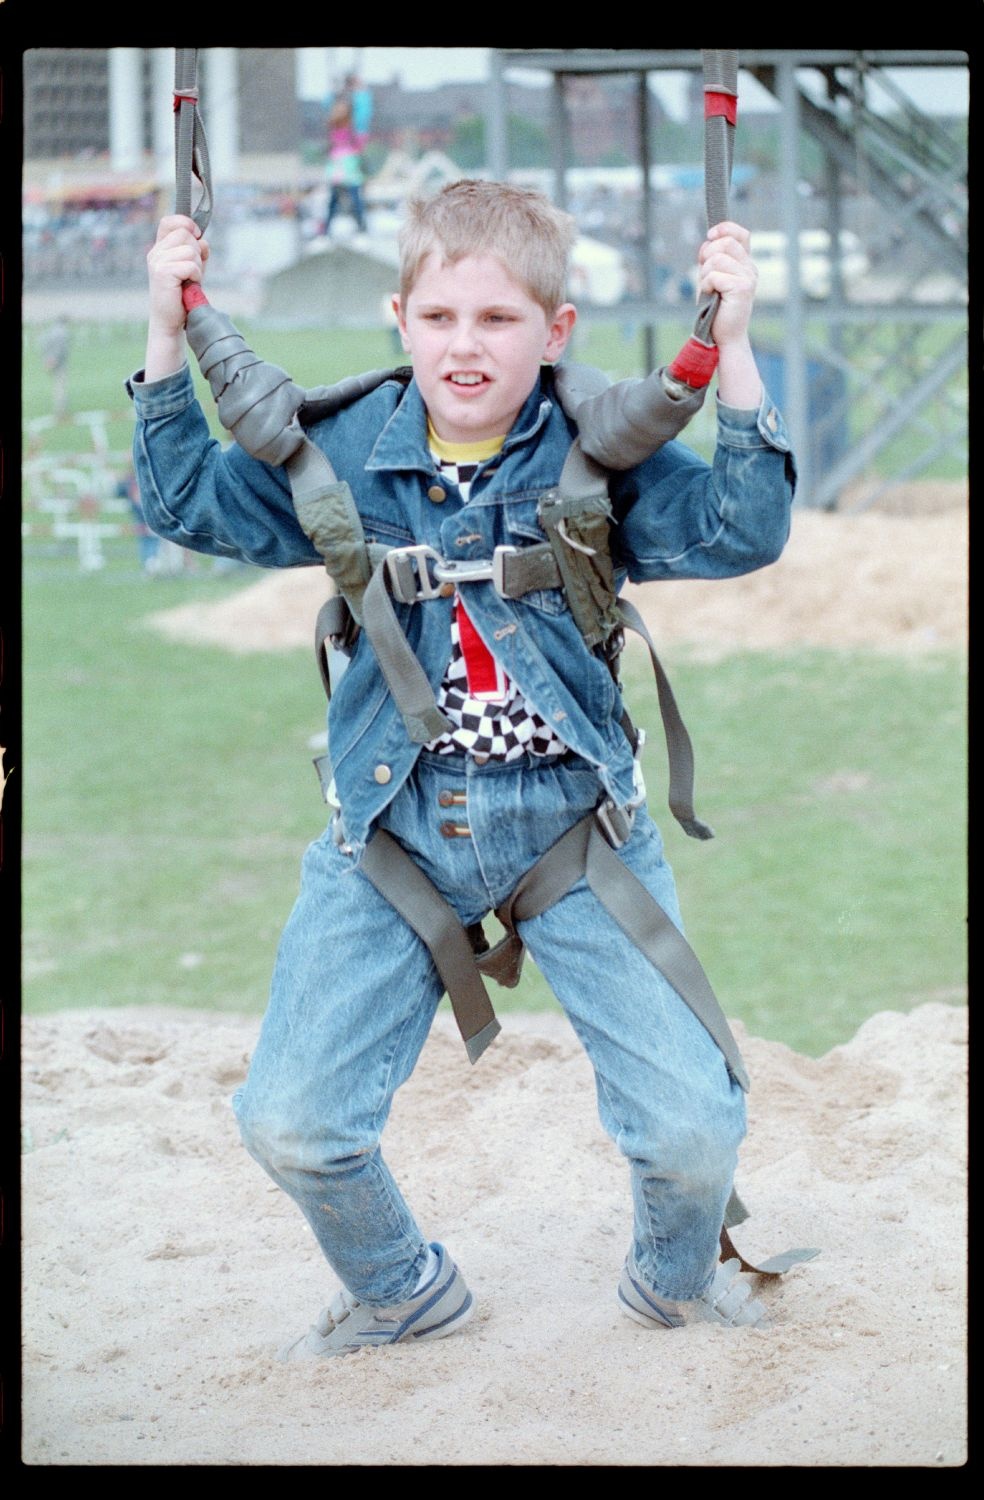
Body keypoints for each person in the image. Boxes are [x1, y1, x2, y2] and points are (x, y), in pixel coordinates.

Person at [129, 180, 796, 1359]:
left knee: (693, 1137)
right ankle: (399, 1289)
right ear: (400, 317)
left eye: (497, 321)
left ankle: (672, 1281)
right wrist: (164, 328)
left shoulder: (601, 457)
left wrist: (730, 349)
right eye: (439, 319)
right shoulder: (342, 455)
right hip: (393, 834)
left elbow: (742, 529)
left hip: (574, 829)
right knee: (291, 1123)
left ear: (556, 330)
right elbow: (184, 499)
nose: (465, 346)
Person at [322, 75, 373, 236]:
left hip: (347, 165)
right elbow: (328, 105)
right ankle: (329, 229)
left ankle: (360, 226)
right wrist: (333, 90)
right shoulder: (335, 127)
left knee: (352, 196)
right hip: (340, 166)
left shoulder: (354, 127)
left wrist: (360, 91)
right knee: (336, 198)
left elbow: (363, 110)